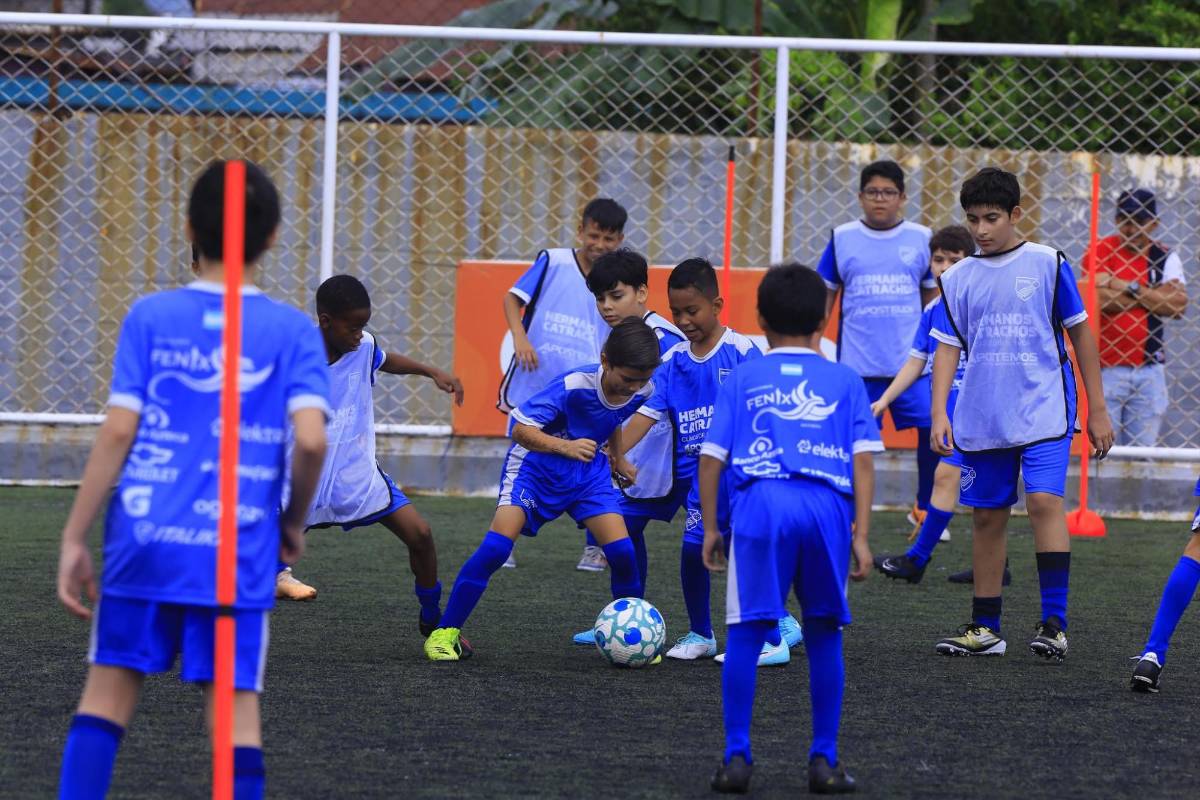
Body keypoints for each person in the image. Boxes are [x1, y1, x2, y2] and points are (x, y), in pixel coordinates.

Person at [55, 161, 331, 799]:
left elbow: (119, 431)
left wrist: (75, 536)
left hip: (145, 541)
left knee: (107, 695)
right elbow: (312, 439)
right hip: (236, 547)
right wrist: (290, 524)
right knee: (233, 715)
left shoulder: (150, 315)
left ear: (189, 228)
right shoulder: (292, 330)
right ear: (272, 237)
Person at [701, 263, 879, 795]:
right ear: (825, 320)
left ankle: (737, 757)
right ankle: (824, 761)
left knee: (746, 633)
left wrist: (712, 527)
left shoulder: (745, 376)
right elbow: (864, 460)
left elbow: (711, 460)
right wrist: (862, 534)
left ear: (759, 318)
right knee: (824, 635)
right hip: (826, 507)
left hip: (760, 506)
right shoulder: (845, 378)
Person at [930, 167, 1114, 660]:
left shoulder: (1048, 263)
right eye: (973, 219)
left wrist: (1097, 408)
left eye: (992, 218)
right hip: (983, 413)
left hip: (1044, 408)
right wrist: (939, 412)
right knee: (987, 517)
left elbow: (1080, 336)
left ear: (1015, 214)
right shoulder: (958, 277)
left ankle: (1054, 624)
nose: (982, 230)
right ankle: (985, 628)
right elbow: (947, 348)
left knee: (1042, 505)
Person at [424, 318, 661, 661]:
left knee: (623, 553)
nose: (633, 388)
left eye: (642, 380)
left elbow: (612, 418)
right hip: (535, 469)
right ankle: (444, 633)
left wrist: (619, 458)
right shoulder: (573, 385)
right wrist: (565, 448)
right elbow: (520, 429)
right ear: (606, 360)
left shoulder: (643, 388)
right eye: (627, 379)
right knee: (496, 549)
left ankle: (631, 638)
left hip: (587, 474)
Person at [622, 258, 801, 665]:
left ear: (717, 305)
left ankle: (772, 639)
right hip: (699, 480)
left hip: (740, 476)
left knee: (745, 552)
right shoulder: (672, 364)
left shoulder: (741, 352)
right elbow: (646, 417)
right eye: (676, 312)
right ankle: (702, 634)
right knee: (692, 553)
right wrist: (614, 451)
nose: (684, 320)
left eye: (693, 310)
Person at [275, 275, 466, 643]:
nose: (360, 335)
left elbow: (385, 359)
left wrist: (431, 371)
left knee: (421, 534)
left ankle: (434, 622)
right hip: (297, 481)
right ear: (326, 321)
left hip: (353, 475)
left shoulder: (363, 348)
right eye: (353, 327)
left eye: (364, 326)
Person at [499, 197, 628, 569]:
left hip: (586, 392)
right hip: (537, 383)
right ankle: (505, 541)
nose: (600, 245)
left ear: (620, 239)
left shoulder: (614, 281)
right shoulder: (553, 261)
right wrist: (520, 338)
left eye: (609, 238)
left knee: (597, 459)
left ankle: (595, 544)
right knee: (519, 455)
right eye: (594, 235)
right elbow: (512, 298)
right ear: (580, 231)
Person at [817, 159, 939, 539]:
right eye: (872, 192)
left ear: (902, 198)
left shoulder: (922, 238)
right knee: (854, 441)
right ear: (860, 196)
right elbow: (826, 300)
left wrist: (935, 351)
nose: (880, 199)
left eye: (888, 192)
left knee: (932, 430)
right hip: (857, 366)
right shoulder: (842, 238)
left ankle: (925, 509)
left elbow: (933, 300)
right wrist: (816, 349)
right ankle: (849, 513)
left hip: (911, 365)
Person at [872, 225, 983, 581]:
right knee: (955, 480)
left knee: (959, 480)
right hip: (951, 409)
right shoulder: (934, 307)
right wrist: (885, 399)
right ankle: (990, 566)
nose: (944, 266)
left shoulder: (982, 299)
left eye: (955, 259)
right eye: (938, 259)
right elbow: (916, 360)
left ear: (971, 261)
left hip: (984, 407)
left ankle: (919, 560)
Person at [572, 248, 684, 582]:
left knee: (720, 538)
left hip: (675, 462)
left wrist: (613, 454)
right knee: (624, 536)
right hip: (642, 460)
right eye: (600, 298)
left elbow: (653, 408)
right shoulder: (623, 337)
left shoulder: (663, 340)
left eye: (616, 296)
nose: (606, 306)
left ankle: (778, 618)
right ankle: (624, 620)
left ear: (642, 292)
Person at [1091, 189, 1187, 447]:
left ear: (1154, 223)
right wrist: (1154, 298)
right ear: (1116, 220)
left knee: (1140, 453)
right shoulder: (1101, 249)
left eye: (1139, 221)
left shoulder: (1164, 255)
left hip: (1149, 369)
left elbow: (1177, 305)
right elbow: (1098, 300)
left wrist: (1123, 285)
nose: (1131, 228)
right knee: (1103, 453)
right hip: (1105, 368)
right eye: (1125, 220)